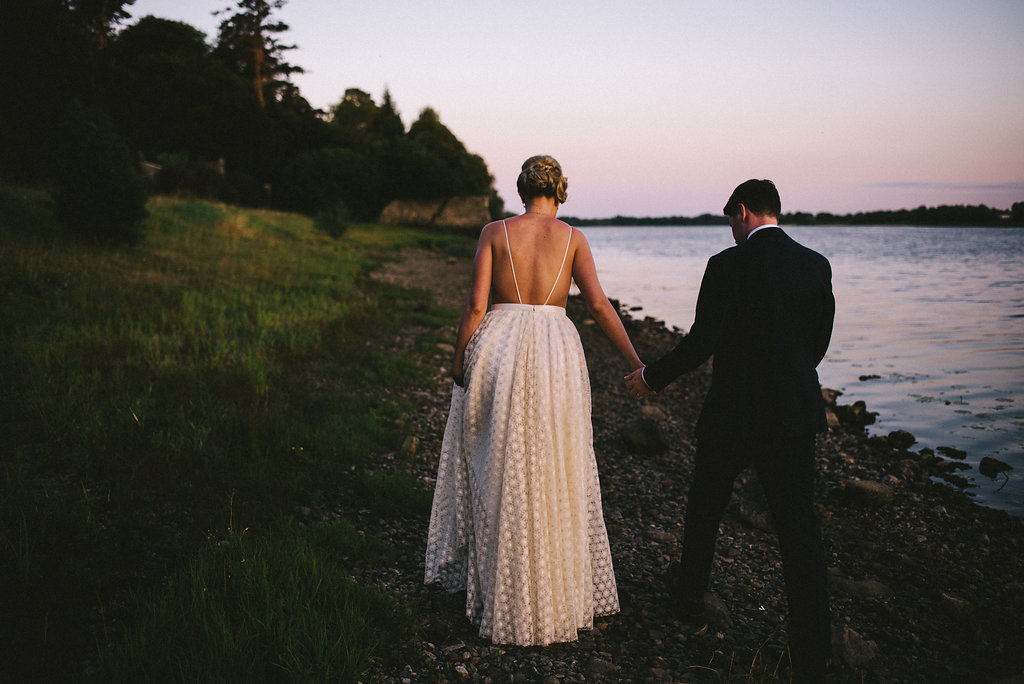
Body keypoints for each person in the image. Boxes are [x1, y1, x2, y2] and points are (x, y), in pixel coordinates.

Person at [425, 155, 644, 646]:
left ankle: (500, 595)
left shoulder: (494, 231)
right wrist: (636, 362)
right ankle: (551, 596)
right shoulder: (574, 238)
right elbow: (599, 304)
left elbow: (476, 305)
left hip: (499, 344)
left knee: (497, 464)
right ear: (560, 192)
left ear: (521, 189)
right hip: (555, 352)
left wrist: (458, 356)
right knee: (554, 467)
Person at [625, 179, 835, 680]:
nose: (733, 230)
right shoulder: (816, 265)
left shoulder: (726, 264)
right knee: (799, 531)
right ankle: (813, 651)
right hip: (792, 414)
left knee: (706, 505)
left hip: (734, 412)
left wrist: (651, 378)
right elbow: (818, 343)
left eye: (730, 221)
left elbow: (702, 342)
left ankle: (691, 595)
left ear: (741, 212)